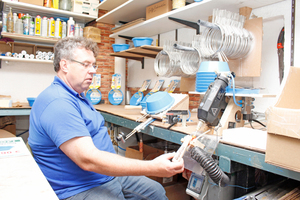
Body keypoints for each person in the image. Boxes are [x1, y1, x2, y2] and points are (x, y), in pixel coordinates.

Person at [28, 36, 184, 200]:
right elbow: (88, 160)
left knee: (155, 191)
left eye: (93, 65)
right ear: (64, 65)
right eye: (85, 64)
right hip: (79, 186)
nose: (93, 70)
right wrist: (152, 167)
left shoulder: (77, 95)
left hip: (104, 175)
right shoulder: (58, 102)